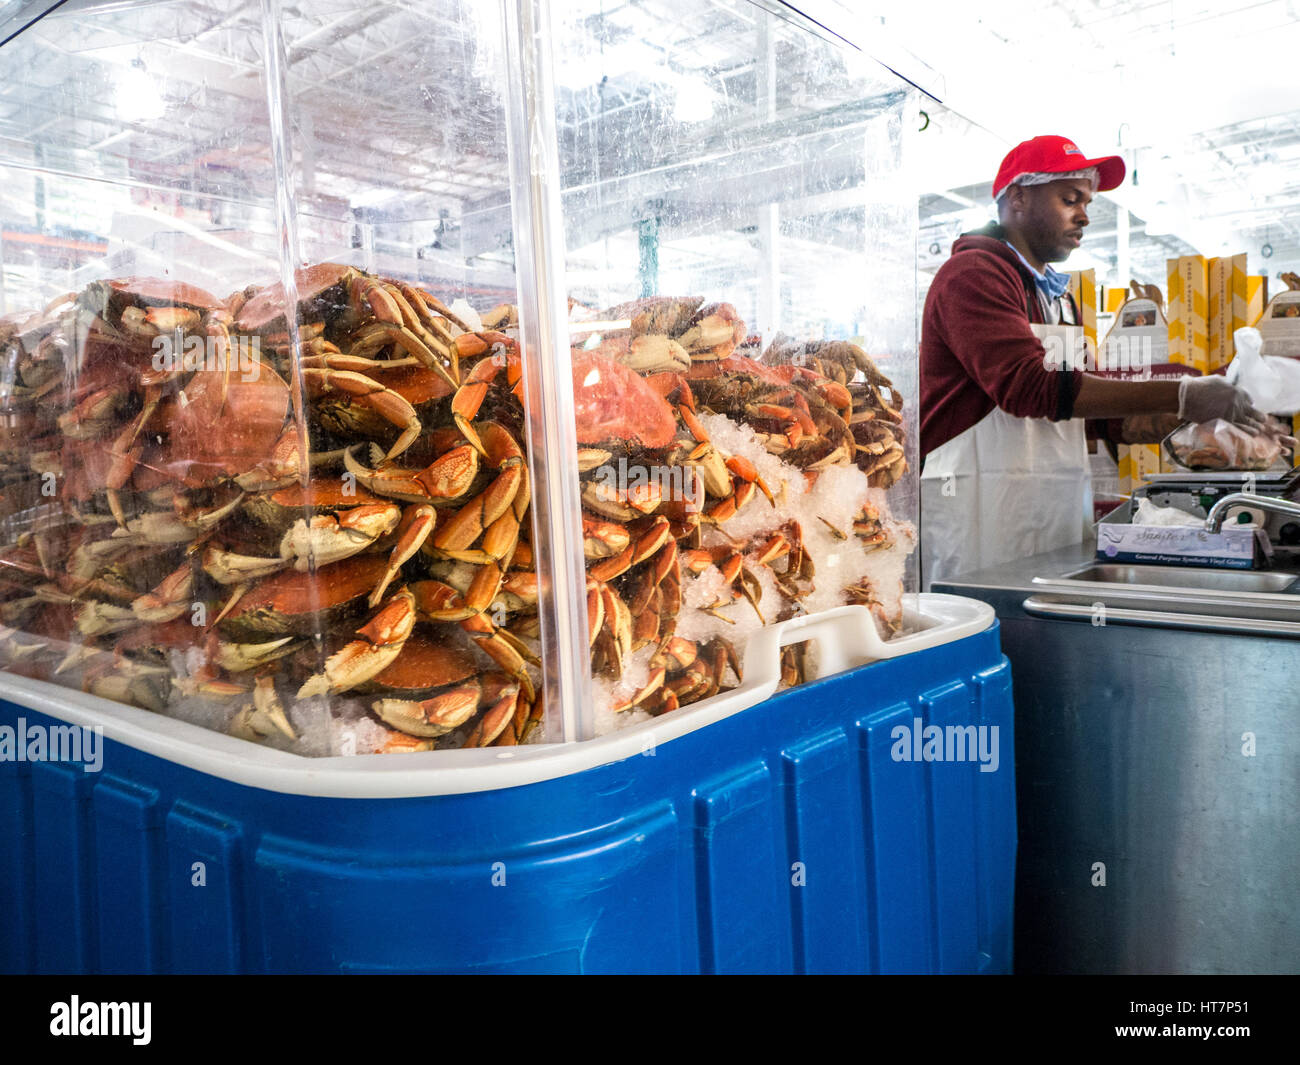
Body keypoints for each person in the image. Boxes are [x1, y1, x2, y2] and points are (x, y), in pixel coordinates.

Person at [919, 134, 1264, 588]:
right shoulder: (974, 275)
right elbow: (1029, 387)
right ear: (1018, 198)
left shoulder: (1060, 299)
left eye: (1087, 202)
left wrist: (1202, 428)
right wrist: (1183, 395)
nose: (1084, 214)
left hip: (1050, 509)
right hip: (976, 513)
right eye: (1069, 199)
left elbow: (1089, 415)